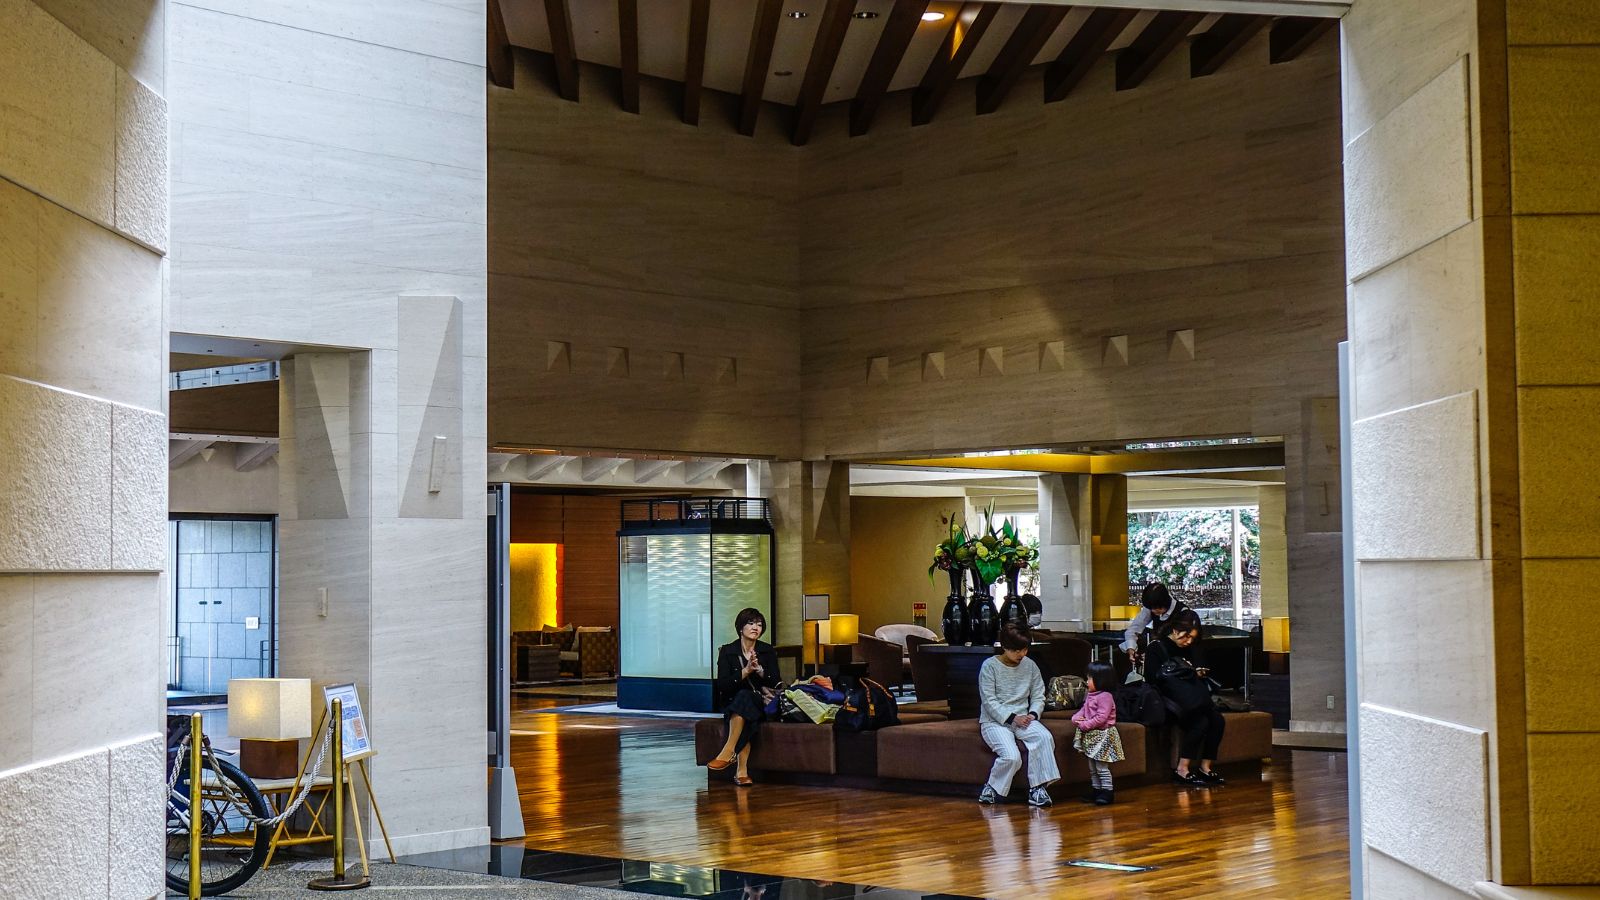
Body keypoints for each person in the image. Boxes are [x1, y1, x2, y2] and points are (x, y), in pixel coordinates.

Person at [977, 625, 1060, 807]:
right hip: (994, 722)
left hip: (1023, 718)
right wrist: (1012, 717)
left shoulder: (1030, 665)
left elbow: (1039, 694)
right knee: (1011, 756)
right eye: (1017, 650)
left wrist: (1033, 713)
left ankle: (1037, 788)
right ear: (1004, 647)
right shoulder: (989, 666)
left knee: (1044, 737)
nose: (1022, 654)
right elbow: (989, 701)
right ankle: (991, 787)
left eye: (1024, 649)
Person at [1143, 608, 1226, 786]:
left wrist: (1197, 672)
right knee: (1200, 722)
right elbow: (1152, 679)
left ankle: (1206, 767)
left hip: (1191, 698)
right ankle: (1182, 769)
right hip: (1169, 701)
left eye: (1192, 638)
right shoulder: (1156, 649)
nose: (1188, 641)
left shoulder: (1192, 648)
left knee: (1217, 720)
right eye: (1186, 637)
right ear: (1175, 631)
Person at [706, 607, 781, 786]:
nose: (756, 627)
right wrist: (745, 671)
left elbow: (777, 682)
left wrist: (761, 671)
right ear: (740, 627)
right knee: (744, 708)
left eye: (760, 624)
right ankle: (741, 772)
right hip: (734, 702)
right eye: (751, 623)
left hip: (762, 702)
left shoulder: (766, 650)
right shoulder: (728, 651)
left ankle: (728, 751)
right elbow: (722, 685)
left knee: (746, 699)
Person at [1070, 661, 1124, 805]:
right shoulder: (1091, 695)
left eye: (1089, 678)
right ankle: (1097, 790)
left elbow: (1101, 717)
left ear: (1101, 680)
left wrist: (1085, 725)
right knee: (1092, 766)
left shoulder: (1105, 697)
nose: (1086, 681)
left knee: (1101, 767)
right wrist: (1076, 718)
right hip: (1091, 736)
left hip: (1102, 736)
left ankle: (1107, 791)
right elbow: (1084, 710)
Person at [1120, 582, 1193, 664]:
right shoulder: (1151, 607)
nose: (1153, 611)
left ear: (1166, 602)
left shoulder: (1182, 612)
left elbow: (1183, 642)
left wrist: (1154, 653)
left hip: (1180, 662)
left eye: (1157, 608)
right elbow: (1133, 629)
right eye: (1151, 608)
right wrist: (1131, 648)